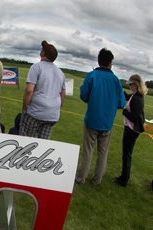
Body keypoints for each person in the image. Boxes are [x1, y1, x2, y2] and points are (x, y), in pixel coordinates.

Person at [75, 48, 126, 185]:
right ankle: (97, 180)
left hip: (92, 120)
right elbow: (122, 103)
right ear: (110, 63)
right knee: (103, 153)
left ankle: (81, 178)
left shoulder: (92, 76)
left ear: (99, 61)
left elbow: (83, 95)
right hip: (107, 123)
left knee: (87, 151)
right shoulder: (116, 80)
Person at [20, 40, 65, 139]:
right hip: (52, 115)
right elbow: (62, 94)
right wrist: (56, 108)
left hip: (35, 112)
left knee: (26, 142)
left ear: (43, 53)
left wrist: (25, 107)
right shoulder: (60, 72)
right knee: (43, 144)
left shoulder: (36, 67)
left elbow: (29, 91)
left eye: (42, 49)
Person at [113, 74, 147, 187]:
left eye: (131, 84)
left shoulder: (138, 98)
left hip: (132, 130)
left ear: (136, 84)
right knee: (126, 154)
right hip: (130, 128)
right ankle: (123, 177)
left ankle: (124, 180)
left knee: (127, 155)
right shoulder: (135, 95)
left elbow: (133, 117)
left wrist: (124, 111)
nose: (130, 86)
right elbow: (127, 97)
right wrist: (120, 88)